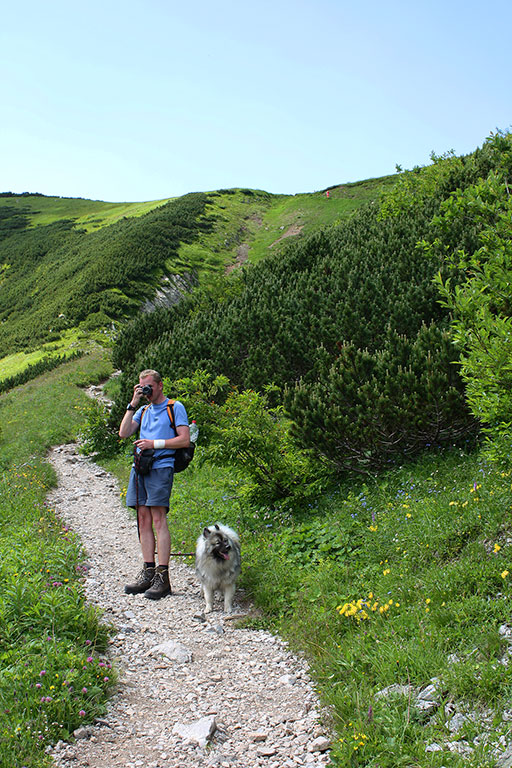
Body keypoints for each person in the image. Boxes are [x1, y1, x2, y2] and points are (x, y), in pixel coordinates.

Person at [119, 369, 190, 599]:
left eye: (149, 386)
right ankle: (148, 571)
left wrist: (154, 444)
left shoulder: (174, 407)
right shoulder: (143, 409)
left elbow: (184, 439)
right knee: (142, 518)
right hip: (140, 467)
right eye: (142, 387)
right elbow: (124, 432)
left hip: (161, 466)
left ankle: (163, 576)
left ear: (160, 385)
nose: (146, 391)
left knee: (158, 518)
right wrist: (133, 402)